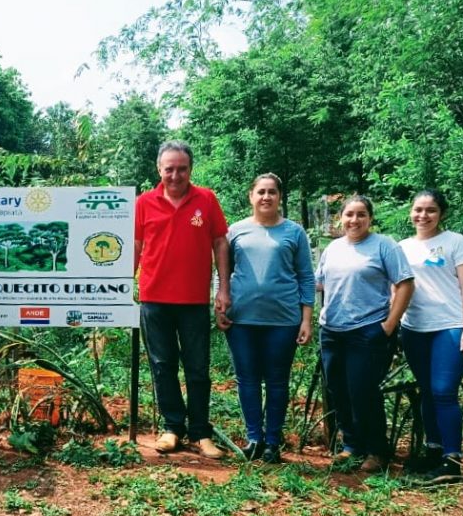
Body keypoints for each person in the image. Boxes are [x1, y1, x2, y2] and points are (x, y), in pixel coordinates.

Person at [134, 140, 231, 458]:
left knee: (198, 368)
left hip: (193, 300)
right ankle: (172, 428)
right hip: (154, 297)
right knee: (163, 366)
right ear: (159, 169)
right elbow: (135, 246)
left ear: (191, 169)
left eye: (182, 169)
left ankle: (201, 432)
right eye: (169, 169)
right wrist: (121, 287)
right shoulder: (144, 203)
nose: (175, 175)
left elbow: (220, 243)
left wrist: (223, 288)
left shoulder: (206, 199)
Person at [217, 174, 314, 463]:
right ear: (251, 196)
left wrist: (306, 319)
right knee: (246, 379)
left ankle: (273, 442)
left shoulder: (294, 233)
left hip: (283, 321)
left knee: (276, 381)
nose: (266, 197)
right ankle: (254, 439)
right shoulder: (235, 231)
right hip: (242, 319)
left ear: (280, 196)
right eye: (261, 192)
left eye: (272, 192)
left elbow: (306, 277)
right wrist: (220, 306)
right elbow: (222, 273)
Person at [317, 195, 415, 472]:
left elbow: (406, 284)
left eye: (361, 214)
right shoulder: (333, 248)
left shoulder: (384, 246)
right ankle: (351, 445)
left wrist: (389, 324)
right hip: (332, 331)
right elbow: (319, 283)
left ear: (370, 218)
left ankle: (376, 451)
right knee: (338, 389)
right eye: (349, 214)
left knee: (363, 391)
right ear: (340, 217)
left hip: (368, 331)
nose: (354, 220)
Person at [398, 189, 463, 481]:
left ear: (441, 213)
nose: (423, 215)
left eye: (430, 210)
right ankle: (433, 451)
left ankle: (452, 459)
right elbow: (395, 288)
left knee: (444, 391)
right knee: (427, 391)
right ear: (411, 212)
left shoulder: (455, 242)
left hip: (450, 326)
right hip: (414, 328)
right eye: (418, 209)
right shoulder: (402, 247)